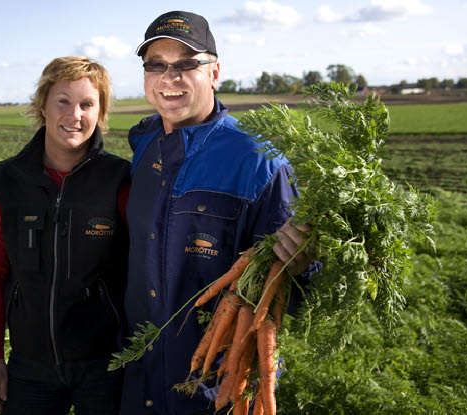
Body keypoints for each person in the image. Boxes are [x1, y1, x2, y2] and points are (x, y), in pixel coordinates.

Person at [120, 11, 316, 415]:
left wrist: (302, 266)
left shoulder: (258, 161)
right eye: (155, 65)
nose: (168, 78)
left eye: (186, 65)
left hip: (215, 391)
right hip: (138, 381)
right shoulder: (144, 148)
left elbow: (294, 293)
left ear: (214, 73)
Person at [0, 56, 131, 415]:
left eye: (87, 104)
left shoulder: (120, 179)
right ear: (43, 105)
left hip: (105, 365)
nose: (74, 115)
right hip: (30, 365)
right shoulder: (7, 180)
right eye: (63, 101)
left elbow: (142, 267)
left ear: (101, 112)